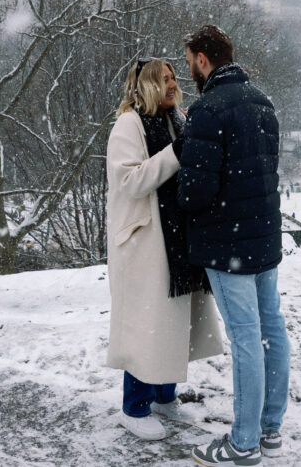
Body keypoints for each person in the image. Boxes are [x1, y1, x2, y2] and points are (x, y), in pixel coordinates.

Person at [178, 25, 289, 466]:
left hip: (228, 244)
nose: (189, 69)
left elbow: (195, 192)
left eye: (189, 61)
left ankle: (242, 444)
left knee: (246, 338)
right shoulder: (263, 103)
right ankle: (270, 430)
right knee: (271, 329)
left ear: (203, 59)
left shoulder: (207, 109)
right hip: (263, 236)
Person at [105, 57, 224, 443]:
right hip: (146, 241)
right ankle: (134, 406)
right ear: (147, 86)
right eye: (165, 79)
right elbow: (130, 180)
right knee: (147, 324)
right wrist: (178, 151)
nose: (173, 84)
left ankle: (163, 396)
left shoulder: (177, 119)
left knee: (174, 320)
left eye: (174, 78)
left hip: (176, 238)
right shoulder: (130, 123)